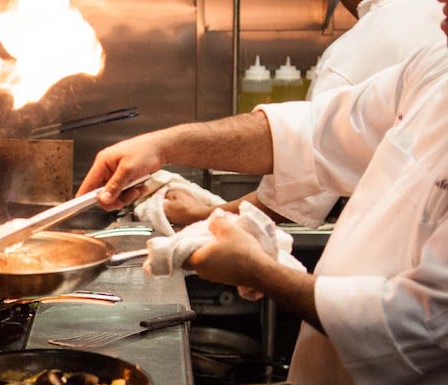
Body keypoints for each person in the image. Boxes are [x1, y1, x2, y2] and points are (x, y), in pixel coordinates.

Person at [76, 1, 448, 385]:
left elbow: (426, 320)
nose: (439, 7)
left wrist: (264, 273)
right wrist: (167, 142)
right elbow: (317, 133)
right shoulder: (439, 63)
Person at [160, 0, 446, 229]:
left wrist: (195, 214)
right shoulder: (424, 24)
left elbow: (299, 191)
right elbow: (304, 135)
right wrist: (165, 145)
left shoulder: (367, 44)